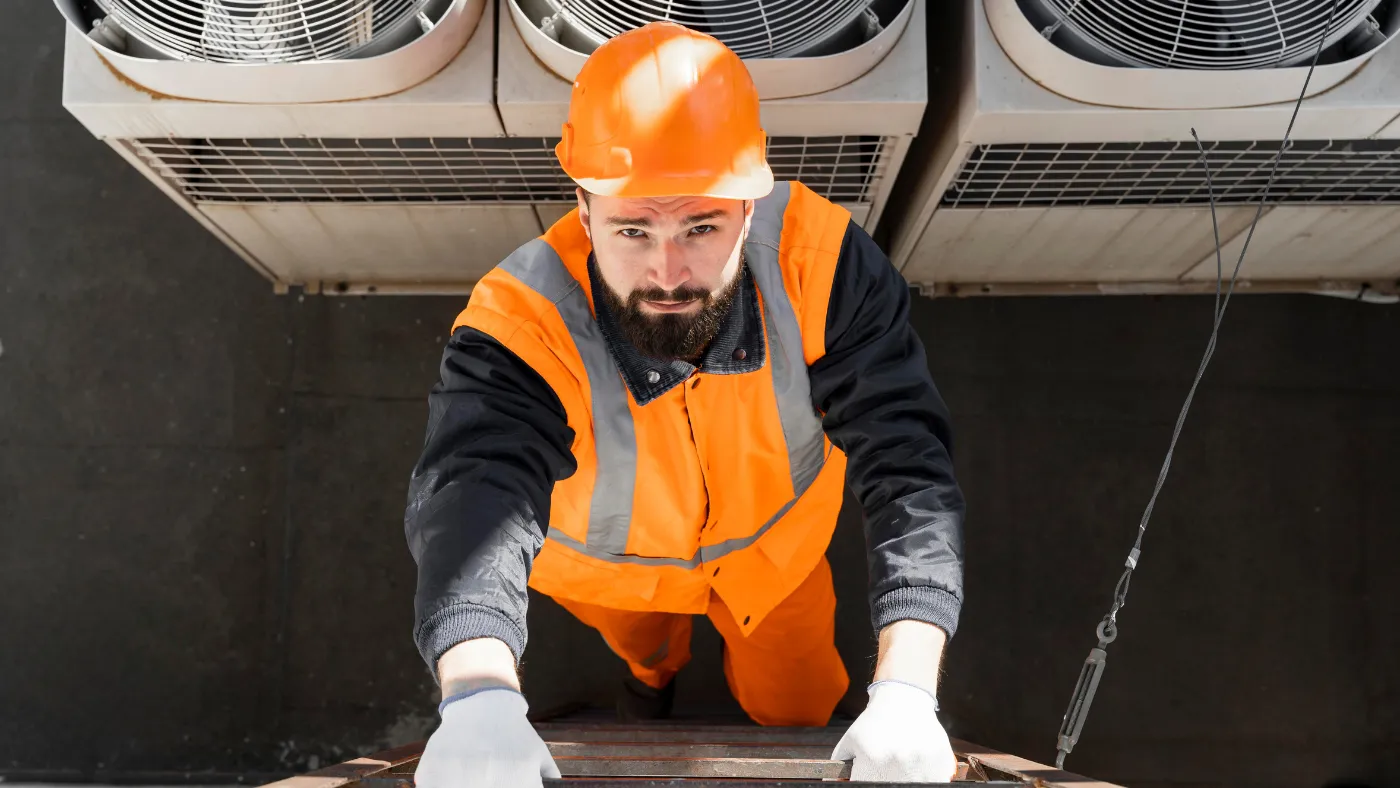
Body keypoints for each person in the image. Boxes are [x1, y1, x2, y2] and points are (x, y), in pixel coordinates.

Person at [404, 20, 965, 786]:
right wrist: (475, 692)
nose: (668, 273)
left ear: (748, 202)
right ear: (583, 204)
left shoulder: (823, 265)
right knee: (645, 648)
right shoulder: (520, 322)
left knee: (800, 705)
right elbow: (473, 493)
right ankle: (651, 682)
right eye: (633, 228)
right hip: (613, 572)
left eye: (700, 225)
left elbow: (910, 466)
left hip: (776, 559)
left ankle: (715, 695)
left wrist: (907, 686)